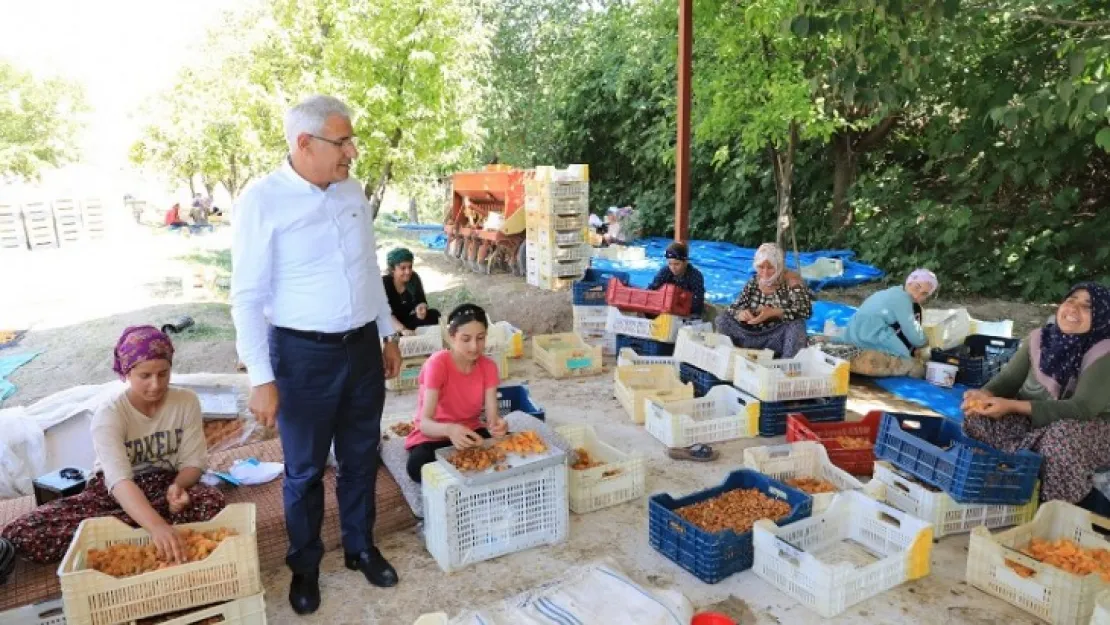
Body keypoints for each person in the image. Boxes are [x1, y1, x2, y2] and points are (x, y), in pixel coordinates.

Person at [231, 94, 402, 615]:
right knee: (304, 471)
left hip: (362, 351)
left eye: (351, 140)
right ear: (304, 143)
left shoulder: (350, 190)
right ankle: (305, 566)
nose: (352, 151)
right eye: (342, 141)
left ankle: (360, 547)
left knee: (360, 456)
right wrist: (262, 377)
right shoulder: (262, 200)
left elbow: (367, 268)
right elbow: (246, 296)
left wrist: (387, 331)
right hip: (302, 357)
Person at [1, 326, 225, 564]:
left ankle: (121, 530)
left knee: (211, 502)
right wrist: (157, 526)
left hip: (165, 483)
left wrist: (178, 487)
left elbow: (193, 463)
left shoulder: (186, 401)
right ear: (127, 373)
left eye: (163, 374)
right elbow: (119, 481)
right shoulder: (110, 413)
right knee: (26, 533)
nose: (156, 385)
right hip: (115, 492)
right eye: (145, 376)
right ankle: (142, 526)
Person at [962, 283, 1110, 506]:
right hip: (1037, 419)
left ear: (1102, 316)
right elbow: (1008, 381)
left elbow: (1083, 408)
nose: (1073, 309)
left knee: (1061, 438)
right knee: (978, 417)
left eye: (1087, 306)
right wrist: (982, 394)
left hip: (1090, 427)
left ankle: (1056, 509)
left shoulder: (1104, 351)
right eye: (1071, 300)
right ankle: (997, 486)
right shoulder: (1040, 338)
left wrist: (1011, 406)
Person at [405, 304, 507, 483]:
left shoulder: (488, 367)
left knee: (505, 451)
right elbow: (424, 423)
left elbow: (492, 419)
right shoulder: (438, 364)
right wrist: (449, 429)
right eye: (466, 339)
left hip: (470, 433)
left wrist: (499, 427)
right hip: (434, 435)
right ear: (452, 337)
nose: (474, 346)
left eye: (480, 338)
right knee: (417, 466)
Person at [715, 243, 811, 358]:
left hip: (775, 337)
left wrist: (774, 312)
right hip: (749, 335)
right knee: (723, 319)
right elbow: (735, 307)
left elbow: (805, 311)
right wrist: (741, 314)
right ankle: (731, 357)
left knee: (797, 325)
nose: (765, 273)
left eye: (770, 267)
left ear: (779, 266)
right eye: (761, 267)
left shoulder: (791, 282)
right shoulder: (754, 282)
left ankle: (786, 365)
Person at [838, 268, 938, 377]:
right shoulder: (903, 299)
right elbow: (912, 332)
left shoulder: (893, 292)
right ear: (909, 282)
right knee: (915, 367)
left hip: (853, 333)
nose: (917, 295)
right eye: (916, 287)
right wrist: (927, 342)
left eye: (924, 294)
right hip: (870, 335)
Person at [383, 247, 441, 335]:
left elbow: (421, 300)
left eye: (410, 267)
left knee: (434, 314)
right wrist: (402, 329)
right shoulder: (385, 283)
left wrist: (421, 308)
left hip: (407, 320)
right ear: (392, 269)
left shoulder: (414, 278)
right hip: (391, 323)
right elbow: (384, 314)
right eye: (403, 268)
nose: (408, 272)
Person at [646, 241, 705, 317]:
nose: (673, 268)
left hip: (686, 314)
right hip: (665, 311)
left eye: (677, 264)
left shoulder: (695, 276)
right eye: (670, 263)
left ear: (685, 262)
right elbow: (651, 290)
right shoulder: (665, 272)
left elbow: (697, 303)